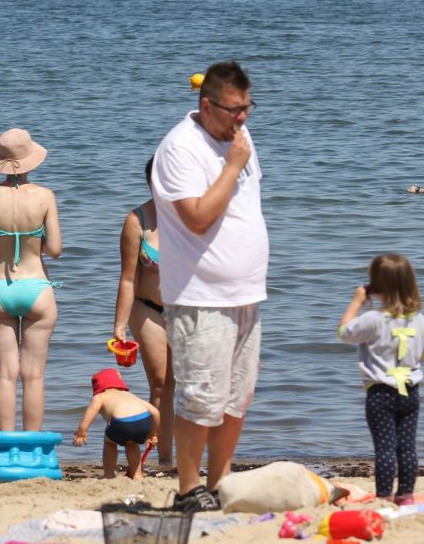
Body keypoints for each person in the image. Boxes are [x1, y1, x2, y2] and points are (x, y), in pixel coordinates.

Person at [151, 60, 268, 513]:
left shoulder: (239, 137)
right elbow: (197, 218)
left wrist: (238, 154)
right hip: (200, 296)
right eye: (234, 109)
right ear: (207, 104)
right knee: (200, 397)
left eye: (247, 107)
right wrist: (232, 163)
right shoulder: (180, 147)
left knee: (237, 397)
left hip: (246, 291)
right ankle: (186, 488)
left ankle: (219, 481)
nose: (242, 117)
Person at [0, 128, 61, 431]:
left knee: (5, 374)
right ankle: (32, 443)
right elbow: (56, 250)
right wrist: (33, 240)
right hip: (37, 289)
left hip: (0, 290)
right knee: (33, 376)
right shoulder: (46, 195)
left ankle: (6, 442)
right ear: (30, 160)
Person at [337, 254, 424, 505]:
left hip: (381, 394)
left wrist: (357, 302)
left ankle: (384, 497)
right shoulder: (420, 320)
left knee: (385, 449)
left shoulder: (372, 320)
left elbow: (344, 333)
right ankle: (406, 496)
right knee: (407, 448)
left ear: (376, 286)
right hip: (410, 392)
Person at [112, 155, 174, 466]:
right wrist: (119, 326)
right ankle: (163, 460)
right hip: (147, 308)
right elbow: (127, 278)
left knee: (190, 386)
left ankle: (185, 456)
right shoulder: (137, 220)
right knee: (161, 384)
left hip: (186, 310)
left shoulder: (191, 219)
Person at [73, 369, 159, 481]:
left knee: (109, 442)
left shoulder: (100, 397)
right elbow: (156, 413)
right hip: (144, 420)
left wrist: (82, 430)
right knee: (132, 444)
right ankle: (137, 475)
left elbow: (91, 412)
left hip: (122, 423)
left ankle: (109, 474)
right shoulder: (130, 395)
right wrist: (153, 434)